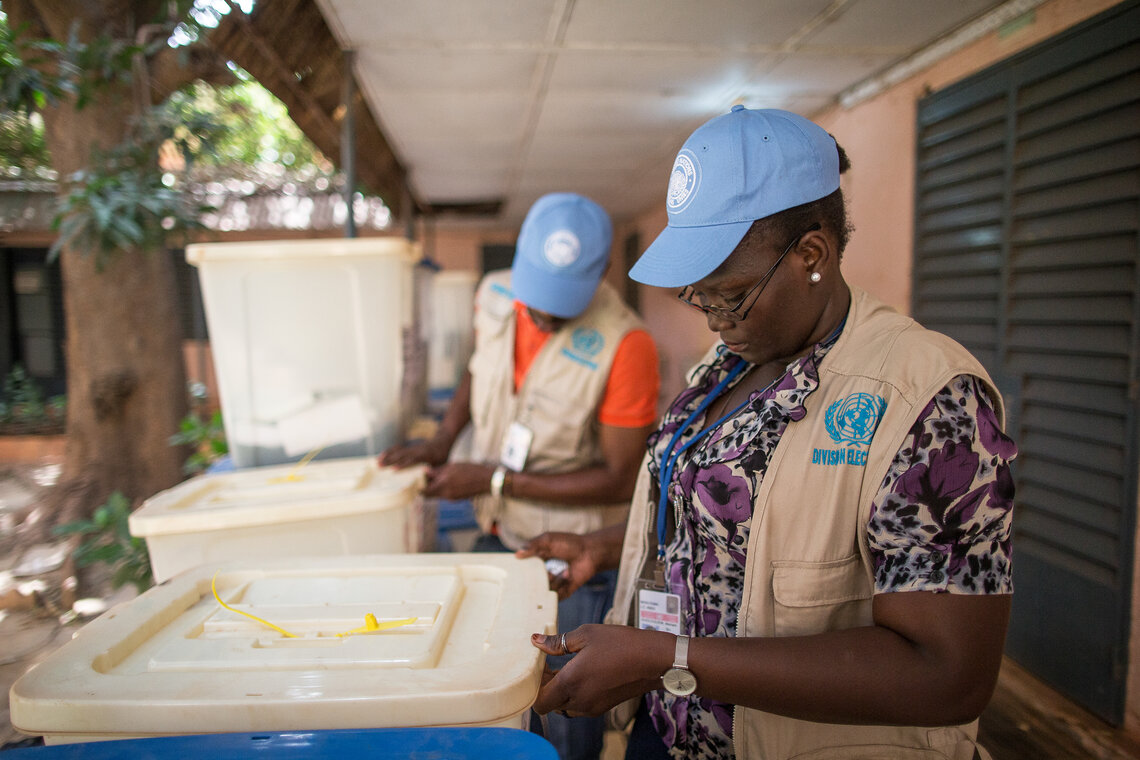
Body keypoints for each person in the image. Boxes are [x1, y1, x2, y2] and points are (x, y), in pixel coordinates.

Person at [518, 107, 1017, 760]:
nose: (713, 318)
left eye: (729, 294)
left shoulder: (930, 399)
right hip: (667, 729)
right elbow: (743, 521)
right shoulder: (729, 363)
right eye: (698, 295)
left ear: (812, 253)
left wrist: (670, 656)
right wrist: (605, 547)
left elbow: (947, 676)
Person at [380, 191, 660, 760]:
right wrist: (439, 440)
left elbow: (617, 478)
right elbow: (474, 371)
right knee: (494, 696)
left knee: (561, 710)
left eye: (563, 302)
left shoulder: (626, 345)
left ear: (602, 273)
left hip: (572, 566)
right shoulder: (496, 296)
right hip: (501, 538)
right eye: (538, 294)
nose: (544, 314)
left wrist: (493, 479)